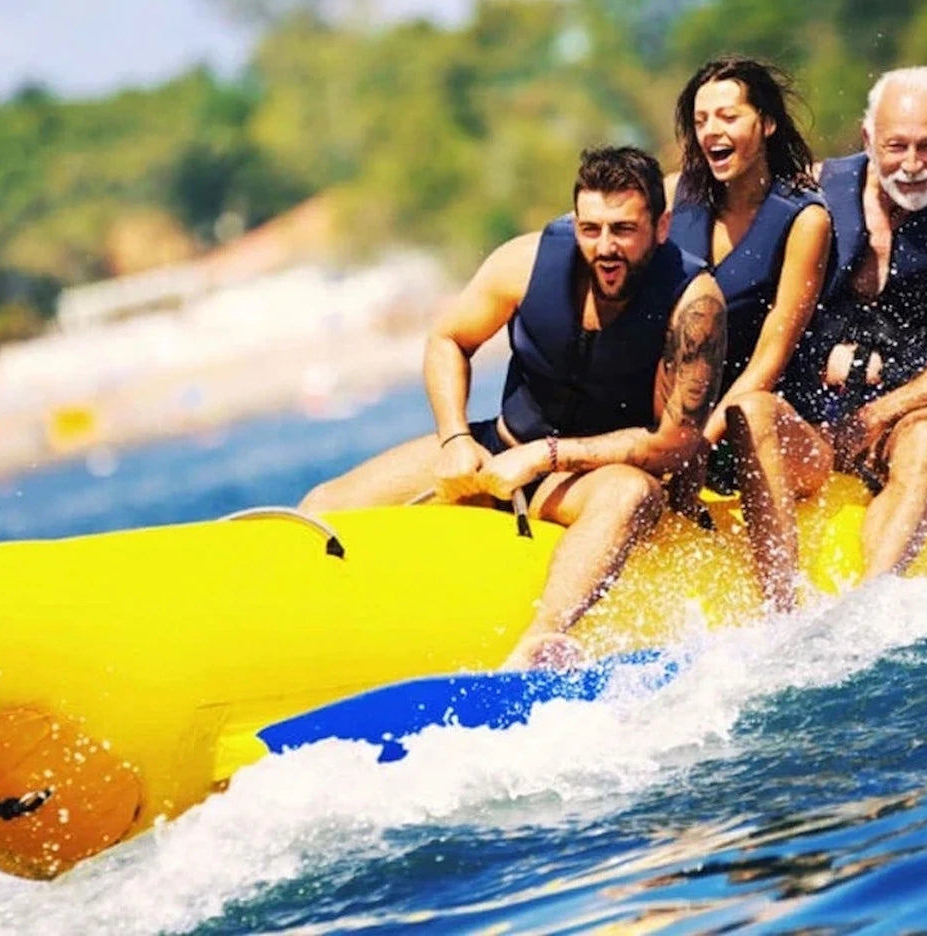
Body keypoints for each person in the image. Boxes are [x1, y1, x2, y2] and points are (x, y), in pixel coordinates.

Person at [300, 146, 728, 668]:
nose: (605, 248)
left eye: (623, 230)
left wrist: (547, 455)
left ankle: (540, 642)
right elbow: (448, 340)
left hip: (590, 478)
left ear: (661, 228)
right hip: (494, 450)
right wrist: (455, 437)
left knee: (632, 493)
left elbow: (675, 442)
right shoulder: (524, 263)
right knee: (323, 504)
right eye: (590, 229)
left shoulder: (694, 301)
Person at [720, 67, 927, 600]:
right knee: (754, 412)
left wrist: (880, 413)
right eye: (896, 146)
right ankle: (778, 606)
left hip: (917, 417)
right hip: (819, 427)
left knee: (923, 439)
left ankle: (871, 602)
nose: (911, 164)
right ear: (867, 138)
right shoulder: (806, 196)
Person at [663, 56, 832, 594]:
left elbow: (770, 359)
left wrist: (696, 442)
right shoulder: (675, 198)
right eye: (701, 120)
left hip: (777, 429)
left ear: (767, 123)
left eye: (728, 116)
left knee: (750, 408)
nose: (711, 131)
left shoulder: (804, 219)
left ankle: (780, 603)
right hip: (682, 428)